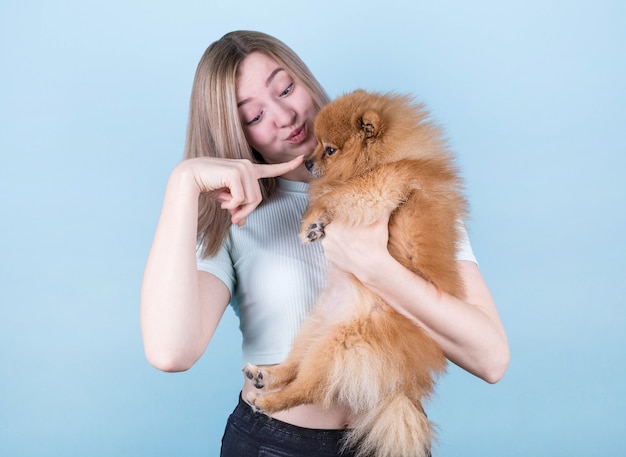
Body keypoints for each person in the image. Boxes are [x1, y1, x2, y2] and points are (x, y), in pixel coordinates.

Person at [140, 30, 509, 457]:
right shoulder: (234, 215)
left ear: (303, 78)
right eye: (254, 117)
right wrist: (183, 184)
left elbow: (491, 358)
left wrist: (375, 267)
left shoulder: (411, 185)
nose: (284, 116)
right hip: (276, 446)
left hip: (390, 438)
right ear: (234, 132)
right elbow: (170, 352)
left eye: (285, 88)